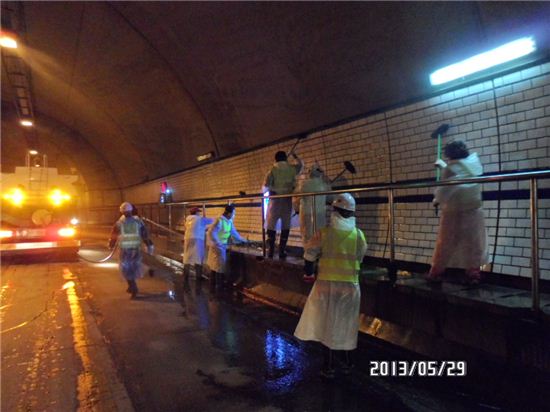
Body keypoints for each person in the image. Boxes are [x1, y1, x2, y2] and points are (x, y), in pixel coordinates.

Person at [294, 193, 367, 379]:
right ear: (352, 213)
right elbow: (360, 258)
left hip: (326, 286)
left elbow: (309, 255)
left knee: (327, 323)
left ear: (335, 211)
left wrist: (309, 273)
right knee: (347, 323)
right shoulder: (359, 235)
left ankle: (328, 366)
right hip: (350, 287)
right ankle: (348, 362)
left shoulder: (324, 233)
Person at [427, 140, 488, 284]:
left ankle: (435, 272)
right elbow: (461, 173)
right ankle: (474, 273)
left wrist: (436, 200)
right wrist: (443, 166)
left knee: (446, 241)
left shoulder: (449, 169)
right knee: (473, 242)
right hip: (473, 210)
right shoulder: (473, 164)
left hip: (453, 211)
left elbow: (445, 189)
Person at [263, 150, 304, 259]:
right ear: (285, 158)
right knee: (286, 225)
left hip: (275, 201)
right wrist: (295, 156)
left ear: (275, 159)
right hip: (287, 200)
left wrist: (270, 190)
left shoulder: (272, 170)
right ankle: (282, 250)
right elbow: (300, 166)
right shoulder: (291, 169)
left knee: (271, 225)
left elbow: (266, 185)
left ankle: (271, 250)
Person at [109, 202, 154, 299]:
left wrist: (111, 244)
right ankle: (131, 286)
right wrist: (148, 244)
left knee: (126, 269)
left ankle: (133, 288)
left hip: (126, 251)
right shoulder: (138, 222)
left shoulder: (120, 223)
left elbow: (113, 235)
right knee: (132, 269)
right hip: (135, 249)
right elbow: (144, 234)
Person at [206, 204, 248, 290]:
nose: (234, 215)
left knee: (217, 266)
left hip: (222, 246)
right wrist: (219, 243)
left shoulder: (229, 222)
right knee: (218, 267)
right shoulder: (219, 220)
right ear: (229, 213)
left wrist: (243, 240)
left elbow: (234, 233)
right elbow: (211, 232)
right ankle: (218, 286)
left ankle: (213, 285)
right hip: (217, 246)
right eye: (234, 213)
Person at [293, 163, 332, 246]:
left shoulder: (304, 185)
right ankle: (318, 251)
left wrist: (296, 209)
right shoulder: (324, 185)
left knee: (306, 234)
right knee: (319, 234)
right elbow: (330, 198)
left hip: (306, 213)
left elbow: (296, 198)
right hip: (320, 213)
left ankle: (308, 251)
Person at [183, 207, 213, 287]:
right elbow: (212, 221)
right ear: (196, 212)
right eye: (198, 212)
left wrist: (204, 226)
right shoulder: (199, 219)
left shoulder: (188, 219)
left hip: (188, 239)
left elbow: (198, 226)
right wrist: (205, 218)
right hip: (197, 240)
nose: (199, 213)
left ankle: (185, 276)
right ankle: (198, 277)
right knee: (198, 258)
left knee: (187, 258)